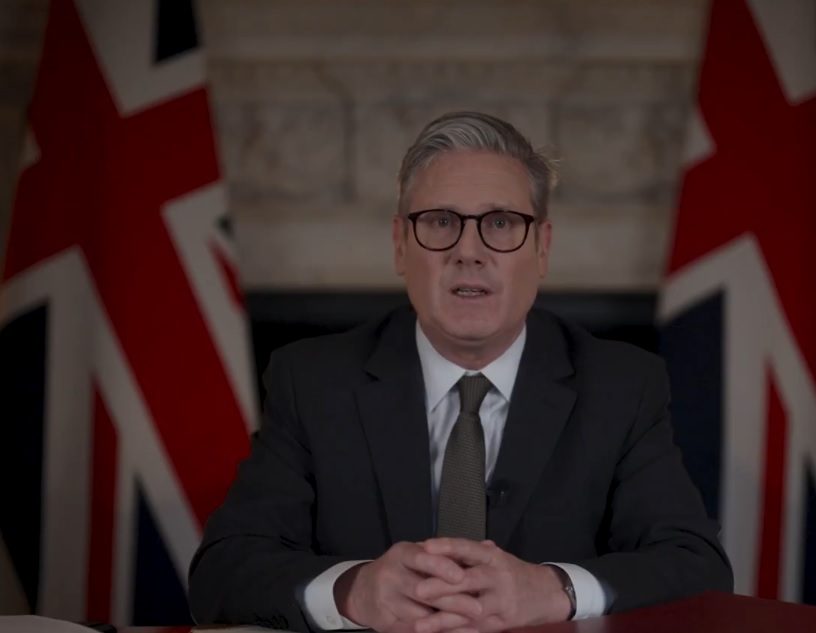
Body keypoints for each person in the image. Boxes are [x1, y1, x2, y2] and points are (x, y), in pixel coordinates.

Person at [187, 111, 733, 633]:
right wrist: (353, 591)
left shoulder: (621, 387)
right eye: (441, 222)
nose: (468, 252)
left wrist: (553, 591)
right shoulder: (313, 382)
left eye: (501, 223)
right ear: (400, 245)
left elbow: (697, 567)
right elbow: (222, 572)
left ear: (542, 247)